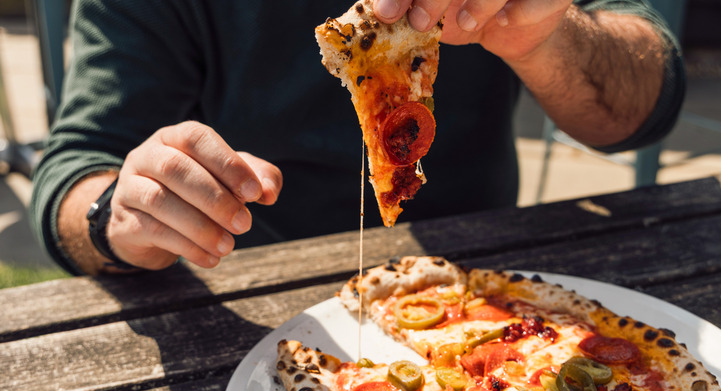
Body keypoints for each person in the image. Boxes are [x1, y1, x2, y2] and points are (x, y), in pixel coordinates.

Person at [31, 0, 685, 276]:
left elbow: (642, 107)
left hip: (490, 283)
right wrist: (116, 214)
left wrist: (549, 38)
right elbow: (75, 164)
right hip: (250, 291)